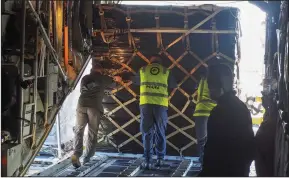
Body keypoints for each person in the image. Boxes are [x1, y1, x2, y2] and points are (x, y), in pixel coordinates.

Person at [199, 64, 255, 177]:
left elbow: (213, 151)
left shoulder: (220, 111)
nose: (209, 88)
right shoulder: (240, 106)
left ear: (221, 85)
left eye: (211, 84)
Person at [71, 62, 122, 168]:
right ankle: (87, 158)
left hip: (81, 105)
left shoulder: (85, 78)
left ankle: (76, 154)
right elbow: (114, 84)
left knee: (79, 130)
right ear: (101, 70)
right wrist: (117, 79)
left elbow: (85, 89)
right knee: (92, 133)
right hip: (94, 107)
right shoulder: (103, 78)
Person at [132, 54, 177, 170]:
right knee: (160, 132)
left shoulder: (143, 70)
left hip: (146, 104)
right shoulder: (166, 71)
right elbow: (173, 86)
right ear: (160, 62)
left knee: (147, 133)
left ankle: (147, 161)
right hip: (161, 105)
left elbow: (135, 82)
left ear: (150, 61)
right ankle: (160, 159)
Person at [193, 67, 217, 165]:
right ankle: (210, 162)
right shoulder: (214, 81)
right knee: (213, 138)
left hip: (199, 113)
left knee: (201, 140)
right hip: (212, 112)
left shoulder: (201, 81)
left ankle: (203, 162)